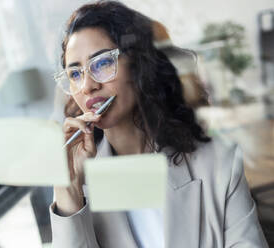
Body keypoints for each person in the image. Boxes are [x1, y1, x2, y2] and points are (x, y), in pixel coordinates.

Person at [49, 1, 269, 247]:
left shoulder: (219, 164)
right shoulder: (80, 188)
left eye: (102, 63)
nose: (87, 86)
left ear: (139, 65)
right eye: (75, 74)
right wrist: (68, 192)